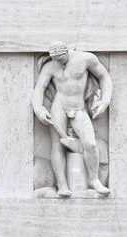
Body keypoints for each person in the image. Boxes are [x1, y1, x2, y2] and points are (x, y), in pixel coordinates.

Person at [32, 42, 113, 197]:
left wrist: (105, 100)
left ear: (67, 51)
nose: (59, 63)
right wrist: (39, 109)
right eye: (55, 59)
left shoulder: (85, 59)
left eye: (61, 59)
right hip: (59, 107)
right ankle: (62, 185)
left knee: (90, 144)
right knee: (57, 146)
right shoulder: (50, 66)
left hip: (78, 108)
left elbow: (104, 77)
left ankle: (94, 180)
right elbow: (39, 89)